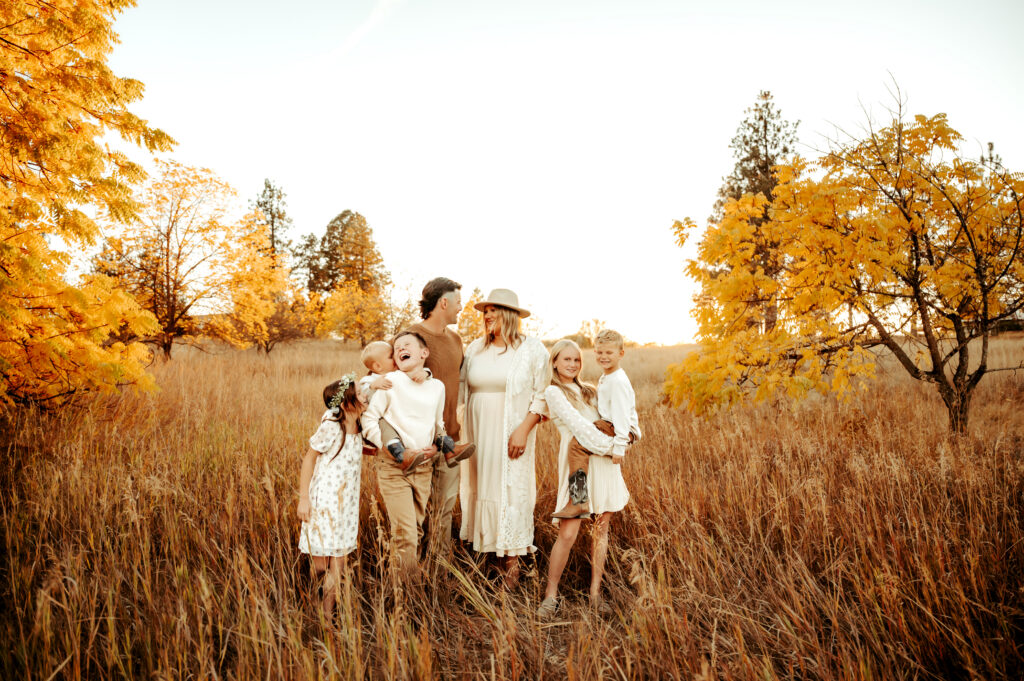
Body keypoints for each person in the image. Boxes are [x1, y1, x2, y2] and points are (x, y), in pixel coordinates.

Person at [460, 288, 548, 586]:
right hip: (477, 432)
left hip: (512, 432)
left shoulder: (532, 349)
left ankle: (511, 574)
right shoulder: (474, 349)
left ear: (509, 314)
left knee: (508, 492)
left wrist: (523, 429)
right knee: (479, 488)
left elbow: (542, 395)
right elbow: (462, 390)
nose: (486, 316)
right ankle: (486, 569)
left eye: (492, 310)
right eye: (484, 311)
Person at [536, 340, 630, 617]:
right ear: (554, 362)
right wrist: (612, 447)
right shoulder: (554, 392)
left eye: (576, 360)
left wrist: (625, 438)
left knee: (601, 530)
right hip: (578, 470)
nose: (572, 365)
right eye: (566, 359)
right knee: (568, 532)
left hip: (604, 467)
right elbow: (579, 429)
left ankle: (595, 594)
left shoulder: (590, 390)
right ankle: (550, 596)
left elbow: (616, 421)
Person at [361, 331, 457, 573]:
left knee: (417, 531)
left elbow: (438, 423)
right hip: (394, 466)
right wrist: (387, 448)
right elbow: (370, 419)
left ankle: (408, 587)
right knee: (406, 535)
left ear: (424, 353)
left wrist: (435, 446)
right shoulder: (389, 381)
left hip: (423, 465)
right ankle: (407, 598)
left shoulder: (436, 386)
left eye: (407, 345)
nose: (400, 349)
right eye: (396, 348)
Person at [405, 277, 475, 556]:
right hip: (418, 442)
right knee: (416, 513)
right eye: (458, 302)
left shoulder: (456, 339)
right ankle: (414, 576)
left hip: (451, 441)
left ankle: (440, 573)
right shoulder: (410, 337)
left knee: (444, 511)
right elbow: (386, 379)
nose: (461, 308)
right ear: (443, 303)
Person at [552, 328, 641, 519]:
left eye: (609, 352)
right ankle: (580, 500)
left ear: (621, 354)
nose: (603, 356)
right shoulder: (607, 377)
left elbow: (623, 416)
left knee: (575, 446)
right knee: (577, 446)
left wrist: (619, 446)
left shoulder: (617, 381)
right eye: (600, 352)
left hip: (617, 427)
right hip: (611, 424)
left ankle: (578, 501)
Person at [297, 374, 364, 618]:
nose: (364, 396)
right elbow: (309, 458)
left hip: (346, 505)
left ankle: (326, 616)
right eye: (359, 393)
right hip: (324, 501)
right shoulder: (331, 426)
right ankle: (310, 603)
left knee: (339, 563)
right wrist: (304, 498)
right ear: (346, 403)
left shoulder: (360, 424)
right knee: (321, 566)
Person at [358, 339, 433, 475]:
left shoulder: (401, 372)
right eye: (390, 356)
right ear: (378, 367)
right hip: (381, 421)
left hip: (400, 418)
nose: (395, 357)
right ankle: (400, 453)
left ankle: (415, 451)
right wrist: (373, 386)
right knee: (385, 426)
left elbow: (423, 371)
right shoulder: (369, 380)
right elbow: (361, 396)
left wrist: (425, 374)